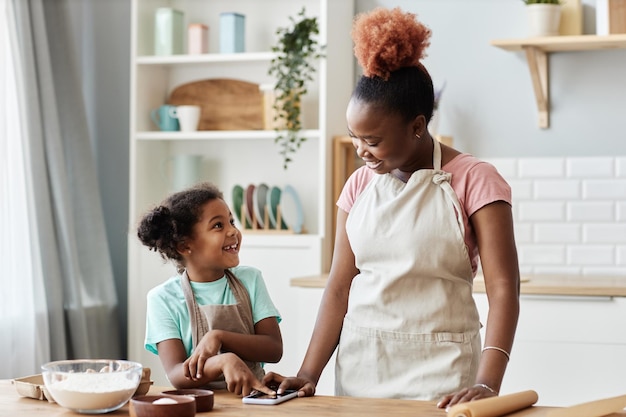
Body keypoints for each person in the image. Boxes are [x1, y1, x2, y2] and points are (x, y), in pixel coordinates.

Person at [263, 7, 520, 408]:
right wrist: (308, 373)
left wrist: (488, 382)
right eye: (354, 137)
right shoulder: (359, 186)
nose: (361, 151)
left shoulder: (476, 180)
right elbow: (338, 287)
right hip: (363, 367)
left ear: (417, 127)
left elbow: (504, 288)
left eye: (374, 140)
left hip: (443, 374)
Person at [137, 182, 282, 396]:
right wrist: (224, 361)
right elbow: (177, 374)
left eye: (231, 221)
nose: (233, 231)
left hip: (254, 399)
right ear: (185, 246)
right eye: (218, 226)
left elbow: (273, 349)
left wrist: (219, 337)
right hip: (201, 407)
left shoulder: (250, 279)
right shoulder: (162, 299)